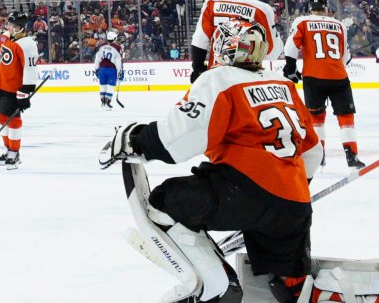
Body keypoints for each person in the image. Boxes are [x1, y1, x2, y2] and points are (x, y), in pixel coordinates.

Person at [101, 21, 330, 303]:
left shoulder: (220, 79)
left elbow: (180, 137)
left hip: (243, 192)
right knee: (286, 282)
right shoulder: (285, 85)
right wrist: (290, 190)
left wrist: (138, 139)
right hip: (294, 206)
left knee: (166, 201)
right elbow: (313, 153)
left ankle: (217, 284)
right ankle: (303, 289)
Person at [283, 0, 359, 166]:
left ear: (310, 6)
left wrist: (290, 69)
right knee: (346, 118)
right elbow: (345, 58)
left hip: (313, 77)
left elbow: (290, 47)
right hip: (339, 77)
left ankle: (320, 157)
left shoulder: (302, 21)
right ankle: (351, 156)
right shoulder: (339, 25)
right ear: (326, 7)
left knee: (316, 119)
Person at [187, 0, 278, 77]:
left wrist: (198, 68)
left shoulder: (212, 3)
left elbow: (200, 40)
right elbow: (273, 52)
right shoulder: (262, 9)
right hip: (248, 75)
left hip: (217, 73)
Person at [0, 12, 40, 168]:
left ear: (19, 27)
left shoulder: (28, 44)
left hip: (13, 87)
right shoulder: (5, 37)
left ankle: (14, 153)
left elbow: (30, 69)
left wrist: (25, 91)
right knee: (0, 117)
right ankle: (8, 148)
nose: (7, 27)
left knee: (13, 120)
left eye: (10, 25)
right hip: (0, 83)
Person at [93, 29, 125, 109]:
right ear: (114, 38)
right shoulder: (118, 47)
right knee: (110, 86)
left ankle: (103, 103)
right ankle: (107, 103)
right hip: (112, 69)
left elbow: (97, 58)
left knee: (102, 86)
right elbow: (118, 60)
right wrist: (119, 71)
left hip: (102, 69)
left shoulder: (102, 46)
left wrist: (96, 69)